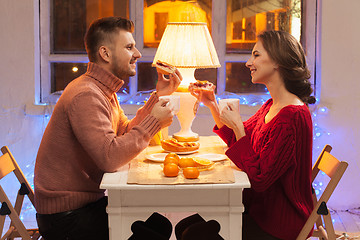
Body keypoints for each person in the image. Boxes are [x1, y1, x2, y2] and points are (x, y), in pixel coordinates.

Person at [34, 17, 182, 240]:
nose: (138, 54)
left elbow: (124, 131)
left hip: (85, 204)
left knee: (159, 224)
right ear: (105, 53)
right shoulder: (87, 95)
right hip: (65, 216)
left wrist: (158, 96)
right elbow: (110, 157)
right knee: (154, 233)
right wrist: (154, 123)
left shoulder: (103, 90)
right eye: (129, 47)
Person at [189, 30, 315, 239]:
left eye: (256, 55)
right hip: (257, 209)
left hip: (278, 223)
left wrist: (239, 128)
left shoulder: (292, 117)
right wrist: (212, 105)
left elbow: (260, 179)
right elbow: (240, 142)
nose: (249, 63)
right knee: (188, 226)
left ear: (278, 61)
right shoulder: (272, 106)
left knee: (194, 234)